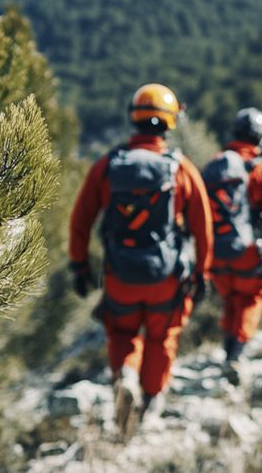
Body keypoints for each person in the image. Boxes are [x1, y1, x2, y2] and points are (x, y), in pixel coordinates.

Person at [69, 83, 213, 428]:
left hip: (120, 274)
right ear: (169, 122)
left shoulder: (107, 166)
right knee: (162, 338)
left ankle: (126, 380)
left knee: (122, 333)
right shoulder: (181, 169)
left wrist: (79, 265)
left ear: (134, 119)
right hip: (165, 278)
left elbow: (81, 220)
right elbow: (203, 227)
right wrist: (202, 274)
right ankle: (150, 403)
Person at [204, 107, 262, 377]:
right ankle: (236, 355)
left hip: (215, 253)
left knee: (230, 298)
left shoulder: (215, 166)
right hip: (248, 253)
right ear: (261, 139)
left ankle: (228, 348)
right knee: (253, 297)